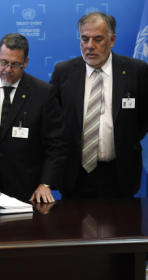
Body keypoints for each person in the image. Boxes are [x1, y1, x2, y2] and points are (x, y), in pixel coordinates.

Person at [49, 12, 148, 199]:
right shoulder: (63, 72)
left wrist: (123, 140)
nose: (89, 46)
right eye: (84, 39)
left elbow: (143, 118)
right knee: (73, 227)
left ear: (112, 40)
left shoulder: (137, 70)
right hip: (75, 173)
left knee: (122, 227)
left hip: (119, 172)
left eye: (98, 39)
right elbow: (52, 118)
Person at [0, 33, 67, 204]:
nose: (7, 70)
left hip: (27, 189)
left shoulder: (44, 93)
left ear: (25, 62)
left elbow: (56, 145)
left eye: (15, 65)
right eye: (4, 62)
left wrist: (45, 183)